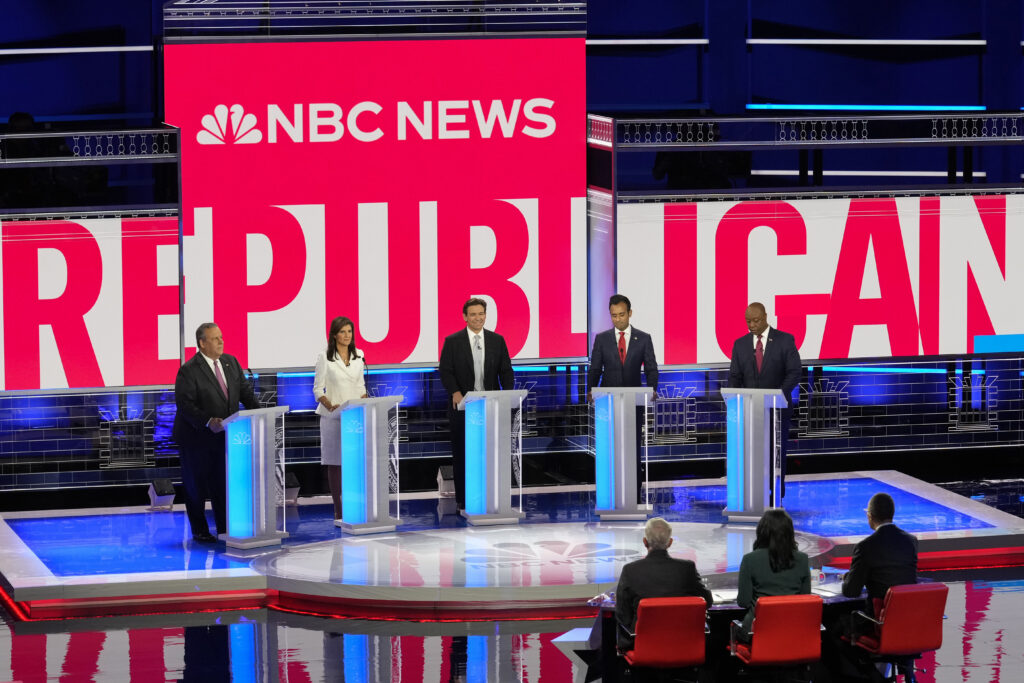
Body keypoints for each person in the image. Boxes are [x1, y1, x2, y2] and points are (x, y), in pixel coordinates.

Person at [173, 323, 259, 543]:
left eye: (221, 337)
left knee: (222, 483)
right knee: (196, 486)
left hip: (225, 436)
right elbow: (185, 404)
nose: (221, 341)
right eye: (215, 338)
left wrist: (261, 412)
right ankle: (200, 531)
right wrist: (207, 421)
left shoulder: (231, 362)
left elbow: (245, 393)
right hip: (196, 438)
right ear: (202, 343)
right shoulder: (189, 370)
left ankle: (224, 528)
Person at [438, 297, 514, 510]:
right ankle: (464, 500)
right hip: (462, 408)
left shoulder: (497, 340)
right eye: (473, 314)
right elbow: (445, 370)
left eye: (481, 314)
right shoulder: (453, 341)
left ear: (485, 315)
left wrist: (506, 395)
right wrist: (455, 392)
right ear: (465, 317)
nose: (478, 318)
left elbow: (506, 371)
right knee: (463, 453)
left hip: (490, 407)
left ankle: (492, 497)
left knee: (490, 452)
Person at [587, 294, 659, 499]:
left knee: (632, 449)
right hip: (607, 404)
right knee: (608, 449)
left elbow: (651, 368)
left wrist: (652, 388)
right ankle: (609, 493)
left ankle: (634, 494)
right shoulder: (602, 339)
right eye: (613, 316)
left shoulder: (643, 338)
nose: (618, 320)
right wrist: (590, 390)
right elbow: (595, 369)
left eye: (621, 315)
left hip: (633, 403)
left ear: (630, 313)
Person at [727, 301, 801, 499]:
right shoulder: (740, 344)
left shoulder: (785, 340)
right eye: (748, 321)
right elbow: (734, 376)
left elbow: (794, 372)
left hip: (777, 409)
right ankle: (753, 492)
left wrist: (776, 396)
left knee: (776, 454)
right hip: (750, 410)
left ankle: (776, 494)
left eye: (756, 321)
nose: (752, 325)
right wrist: (735, 400)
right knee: (752, 455)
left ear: (766, 317)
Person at [615, 517, 713, 651]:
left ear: (645, 542)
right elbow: (707, 601)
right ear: (670, 543)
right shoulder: (687, 568)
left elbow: (622, 614)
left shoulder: (630, 570)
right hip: (684, 645)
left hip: (643, 646)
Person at [313, 316, 368, 521]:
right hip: (333, 417)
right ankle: (338, 509)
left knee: (355, 461)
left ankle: (356, 505)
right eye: (343, 332)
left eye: (350, 331)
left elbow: (360, 385)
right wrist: (331, 405)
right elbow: (318, 390)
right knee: (336, 463)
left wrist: (363, 399)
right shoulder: (324, 357)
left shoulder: (359, 355)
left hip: (354, 416)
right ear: (334, 334)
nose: (347, 336)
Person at [735, 508, 811, 639]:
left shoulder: (749, 560)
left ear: (762, 532)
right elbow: (806, 599)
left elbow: (743, 602)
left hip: (757, 633)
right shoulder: (803, 559)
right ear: (789, 533)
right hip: (793, 632)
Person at [841, 492, 919, 610]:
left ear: (870, 516)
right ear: (892, 514)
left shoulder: (865, 547)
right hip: (908, 613)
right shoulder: (911, 541)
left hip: (879, 616)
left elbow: (851, 591)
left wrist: (847, 577)